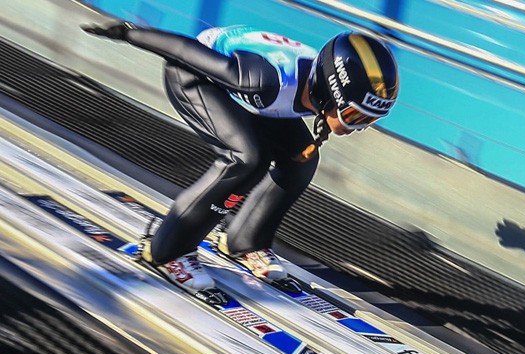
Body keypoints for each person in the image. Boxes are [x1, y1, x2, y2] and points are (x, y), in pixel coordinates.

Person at [81, 21, 399, 295]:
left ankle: (245, 241)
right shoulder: (266, 80)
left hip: (252, 93)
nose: (358, 127)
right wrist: (128, 33)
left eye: (369, 121)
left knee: (301, 159)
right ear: (330, 93)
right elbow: (182, 50)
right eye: (355, 116)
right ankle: (166, 250)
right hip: (194, 75)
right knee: (245, 159)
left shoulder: (309, 85)